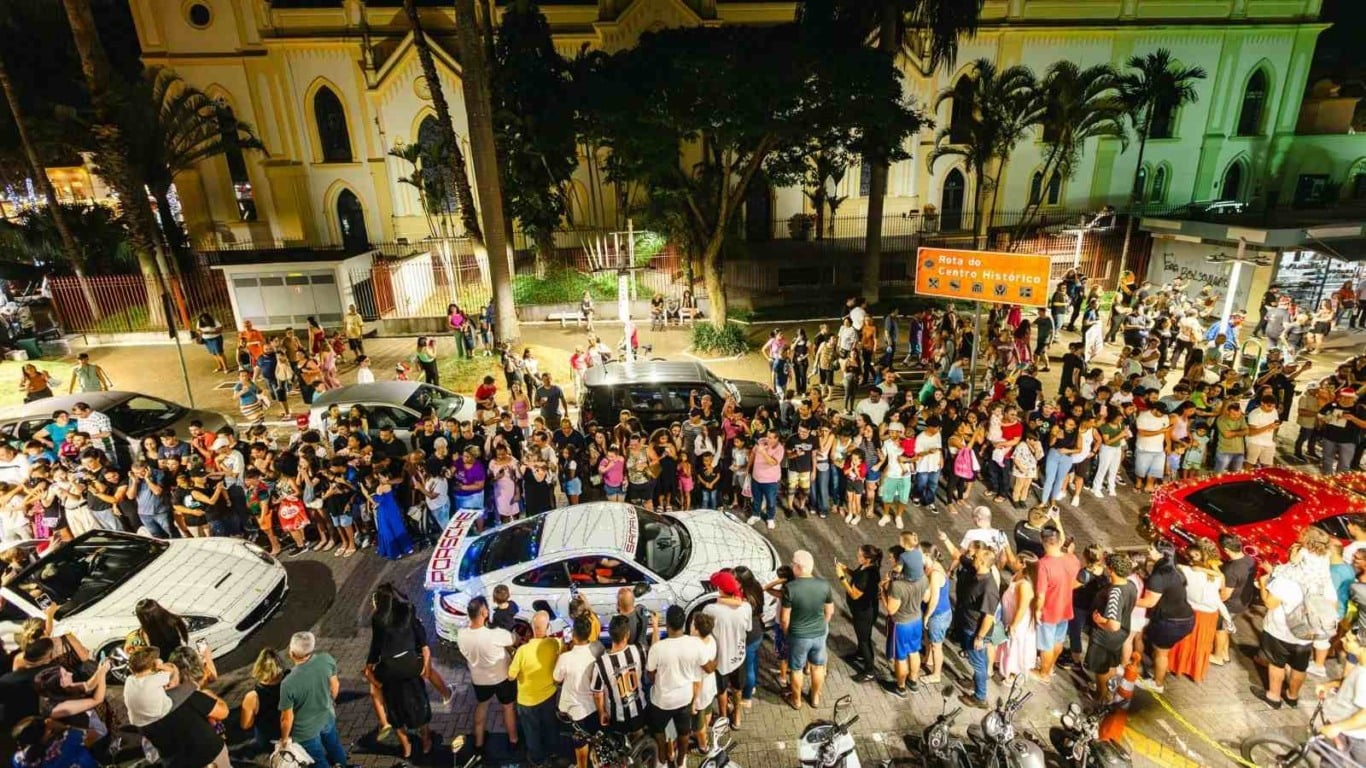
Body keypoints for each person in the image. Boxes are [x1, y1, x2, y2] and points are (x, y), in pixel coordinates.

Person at [365, 584, 433, 758]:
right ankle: (426, 741)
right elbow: (422, 640)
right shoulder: (408, 610)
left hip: (390, 671)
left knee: (394, 709)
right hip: (411, 666)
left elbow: (376, 647)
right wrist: (424, 665)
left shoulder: (379, 618)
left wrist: (370, 666)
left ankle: (406, 746)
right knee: (420, 705)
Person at [646, 605, 712, 768]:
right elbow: (709, 668)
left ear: (667, 624)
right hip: (685, 699)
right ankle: (681, 761)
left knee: (659, 731)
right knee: (684, 732)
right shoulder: (695, 644)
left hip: (662, 701)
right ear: (684, 624)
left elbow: (650, 675)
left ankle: (662, 759)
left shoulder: (658, 648)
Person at [279, 631, 348, 768]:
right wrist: (330, 701)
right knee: (334, 747)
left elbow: (287, 718)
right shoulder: (326, 659)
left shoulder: (288, 683)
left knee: (318, 759)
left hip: (305, 731)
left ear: (292, 653)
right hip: (326, 716)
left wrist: (284, 739)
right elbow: (335, 686)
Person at [1135, 541, 1194, 694]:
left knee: (1161, 652)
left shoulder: (1160, 576)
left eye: (1151, 548)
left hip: (1172, 622)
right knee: (1159, 650)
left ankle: (1157, 683)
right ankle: (1160, 671)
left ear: (1162, 554)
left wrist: (1127, 599)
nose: (1148, 549)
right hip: (1184, 618)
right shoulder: (1173, 569)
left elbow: (1149, 602)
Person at [782, 549, 834, 710]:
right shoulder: (824, 585)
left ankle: (796, 700)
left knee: (796, 669)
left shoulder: (790, 588)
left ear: (799, 567)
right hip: (819, 634)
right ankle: (815, 698)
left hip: (798, 635)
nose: (791, 566)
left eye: (793, 564)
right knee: (818, 667)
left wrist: (787, 632)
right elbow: (830, 611)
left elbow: (785, 618)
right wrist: (822, 625)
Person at [509, 611, 561, 768]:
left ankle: (538, 760)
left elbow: (511, 675)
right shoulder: (555, 644)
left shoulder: (522, 651)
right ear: (548, 627)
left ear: (531, 628)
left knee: (532, 731)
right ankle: (553, 751)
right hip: (549, 695)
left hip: (528, 700)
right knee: (550, 725)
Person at [1085, 552, 1138, 698]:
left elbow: (1113, 625)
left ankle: (1101, 696)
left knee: (1101, 669)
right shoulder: (1131, 585)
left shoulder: (1115, 592)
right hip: (1119, 637)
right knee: (1111, 665)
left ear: (1111, 570)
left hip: (1105, 638)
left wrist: (1100, 621)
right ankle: (1109, 693)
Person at [703, 571, 752, 727]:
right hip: (738, 657)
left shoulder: (710, 609)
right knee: (737, 689)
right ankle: (737, 716)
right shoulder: (746, 608)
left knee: (721, 691)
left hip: (719, 659)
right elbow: (748, 628)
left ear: (721, 589)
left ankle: (723, 716)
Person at [954, 545, 1000, 709]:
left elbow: (989, 616)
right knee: (979, 661)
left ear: (981, 562)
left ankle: (980, 697)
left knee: (979, 663)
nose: (972, 558)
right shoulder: (978, 573)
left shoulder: (989, 588)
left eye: (975, 557)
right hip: (969, 625)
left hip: (975, 630)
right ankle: (975, 682)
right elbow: (961, 558)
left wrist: (979, 637)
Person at [1033, 528, 1080, 682]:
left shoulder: (1043, 564)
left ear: (1042, 541)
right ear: (1059, 541)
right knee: (1058, 641)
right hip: (1065, 607)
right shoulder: (1072, 559)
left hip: (1049, 610)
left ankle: (1043, 673)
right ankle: (1050, 667)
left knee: (1046, 645)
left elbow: (1041, 594)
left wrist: (1037, 611)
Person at [592, 614, 648, 736]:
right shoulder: (639, 650)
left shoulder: (601, 663)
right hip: (640, 710)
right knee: (639, 737)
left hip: (618, 718)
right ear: (627, 635)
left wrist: (602, 713)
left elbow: (597, 694)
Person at [882, 547, 927, 697]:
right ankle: (913, 681)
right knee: (914, 652)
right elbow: (926, 598)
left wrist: (882, 592)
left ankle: (900, 687)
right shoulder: (923, 578)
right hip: (916, 620)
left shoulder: (898, 586)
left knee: (900, 657)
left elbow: (891, 610)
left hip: (901, 625)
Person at [239, 648, 286, 754]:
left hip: (270, 740)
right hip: (293, 731)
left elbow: (245, 724)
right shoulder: (289, 682)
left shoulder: (252, 697)